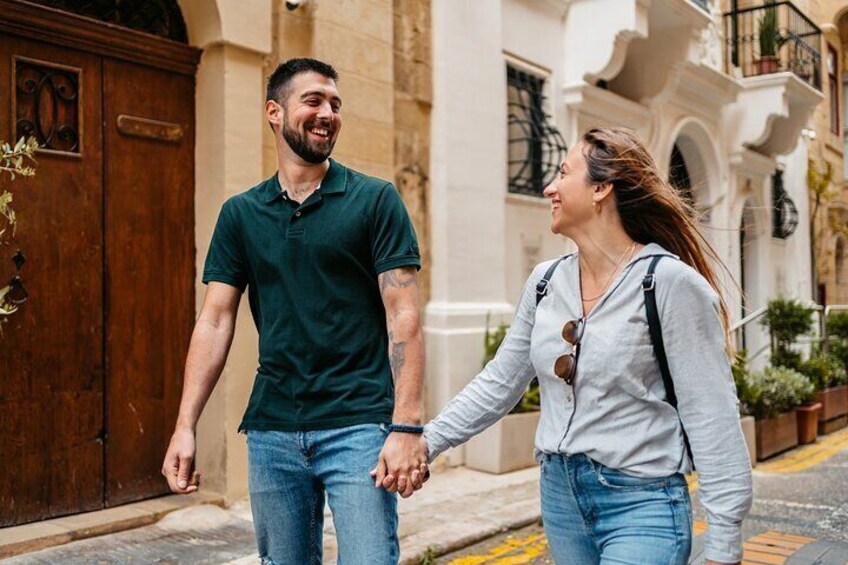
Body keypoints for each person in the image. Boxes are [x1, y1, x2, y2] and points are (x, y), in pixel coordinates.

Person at [385, 127, 753, 564]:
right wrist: (425, 441)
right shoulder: (545, 281)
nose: (550, 188)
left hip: (641, 504)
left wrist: (724, 544)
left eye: (563, 173)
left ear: (601, 188)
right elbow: (500, 382)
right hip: (561, 500)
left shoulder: (669, 284)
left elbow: (711, 414)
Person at [161, 58, 429, 565]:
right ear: (274, 112)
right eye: (313, 101)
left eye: (335, 103)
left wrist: (407, 426)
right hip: (273, 430)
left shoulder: (375, 200)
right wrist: (185, 424)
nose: (328, 112)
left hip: (358, 426)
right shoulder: (241, 214)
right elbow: (215, 320)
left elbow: (404, 318)